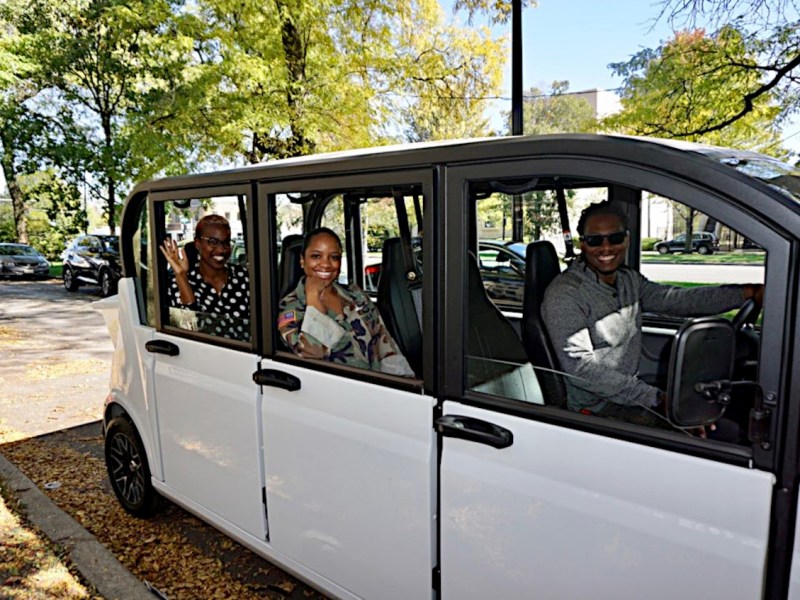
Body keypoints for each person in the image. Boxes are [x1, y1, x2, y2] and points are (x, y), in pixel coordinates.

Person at [541, 201, 763, 427]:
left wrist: (744, 293)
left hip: (626, 394)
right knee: (724, 433)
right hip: (595, 409)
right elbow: (581, 369)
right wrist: (656, 399)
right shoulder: (565, 294)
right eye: (595, 240)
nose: (606, 248)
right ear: (583, 245)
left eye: (615, 238)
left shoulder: (628, 280)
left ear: (626, 239)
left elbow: (677, 300)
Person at [278, 227, 415, 377]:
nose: (326, 264)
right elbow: (312, 355)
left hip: (376, 387)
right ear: (302, 260)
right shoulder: (291, 307)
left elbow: (384, 344)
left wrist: (404, 384)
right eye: (316, 256)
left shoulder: (355, 295)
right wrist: (314, 299)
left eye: (334, 257)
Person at [160, 214, 250, 341]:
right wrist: (181, 276)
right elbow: (190, 327)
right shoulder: (179, 283)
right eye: (213, 242)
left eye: (226, 243)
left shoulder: (244, 277)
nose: (221, 250)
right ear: (197, 244)